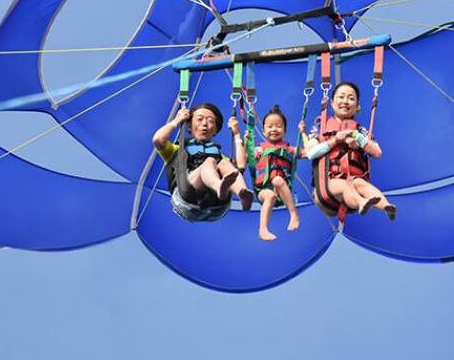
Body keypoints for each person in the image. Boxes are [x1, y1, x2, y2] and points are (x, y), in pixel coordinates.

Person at [303, 82, 396, 220]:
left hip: (353, 180)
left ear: (357, 107)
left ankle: (386, 206)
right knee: (345, 185)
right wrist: (335, 140)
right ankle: (362, 202)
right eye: (341, 97)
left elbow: (377, 152)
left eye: (351, 98)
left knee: (361, 184)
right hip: (327, 187)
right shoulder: (320, 127)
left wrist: (356, 137)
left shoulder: (360, 130)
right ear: (332, 103)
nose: (345, 101)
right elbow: (311, 153)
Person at [152, 103, 254, 222]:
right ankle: (219, 186)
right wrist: (177, 120)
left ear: (216, 129)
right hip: (187, 198)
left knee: (226, 165)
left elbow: (241, 166)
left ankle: (242, 193)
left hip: (217, 205)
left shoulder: (220, 158)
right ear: (189, 126)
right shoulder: (177, 151)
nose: (204, 124)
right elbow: (158, 140)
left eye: (210, 121)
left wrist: (237, 134)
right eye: (199, 119)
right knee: (210, 161)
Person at [246, 105, 301, 241]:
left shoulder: (288, 149)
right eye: (270, 127)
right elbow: (244, 159)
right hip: (263, 190)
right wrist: (245, 142)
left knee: (277, 180)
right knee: (269, 195)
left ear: (285, 131)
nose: (274, 129)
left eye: (278, 126)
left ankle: (293, 214)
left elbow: (308, 153)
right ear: (264, 131)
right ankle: (263, 230)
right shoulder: (259, 149)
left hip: (282, 190)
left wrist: (304, 134)